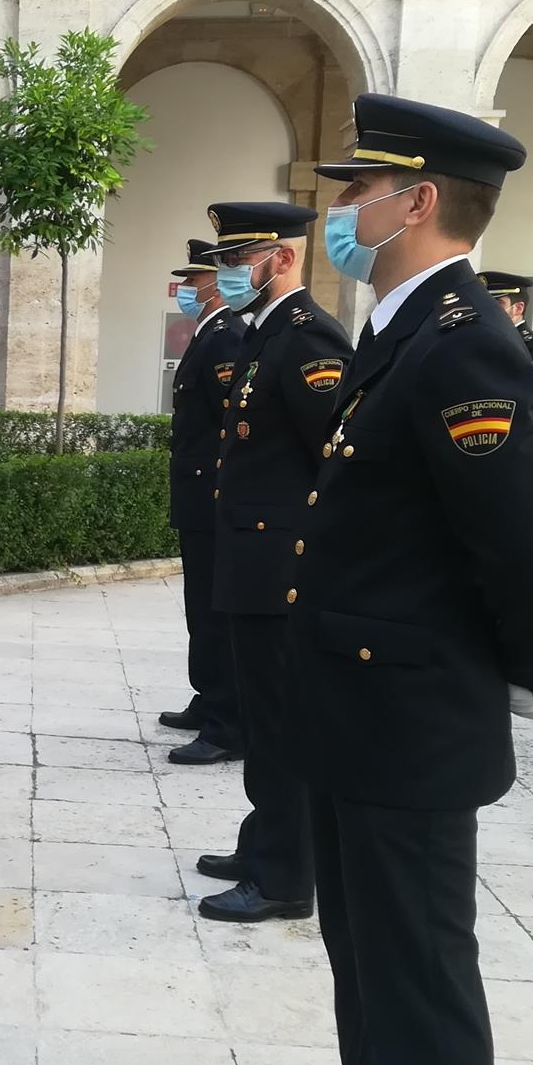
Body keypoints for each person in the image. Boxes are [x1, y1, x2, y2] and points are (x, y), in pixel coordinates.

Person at [226, 95, 533, 1065]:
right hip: (355, 709)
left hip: (411, 719)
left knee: (422, 984)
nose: (339, 208)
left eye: (356, 189)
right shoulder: (401, 328)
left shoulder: (467, 340)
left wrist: (518, 674)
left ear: (417, 200)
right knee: (363, 955)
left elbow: (524, 550)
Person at [198, 201, 351, 923]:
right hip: (252, 561)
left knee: (282, 725)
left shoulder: (308, 337)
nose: (227, 273)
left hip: (280, 568)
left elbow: (334, 461)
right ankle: (264, 843)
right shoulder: (264, 333)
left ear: (282, 259)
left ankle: (285, 877)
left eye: (237, 261)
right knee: (263, 721)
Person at [160, 238, 245, 765]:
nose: (185, 289)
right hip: (197, 494)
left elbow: (230, 424)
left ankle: (226, 721)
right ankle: (208, 698)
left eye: (192, 281)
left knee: (215, 612)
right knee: (200, 607)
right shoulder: (210, 333)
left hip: (213, 496)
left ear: (212, 283)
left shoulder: (227, 337)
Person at [480, 271, 533, 444]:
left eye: (497, 303)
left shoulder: (532, 348)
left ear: (518, 308)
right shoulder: (489, 340)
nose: (488, 309)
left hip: (516, 446)